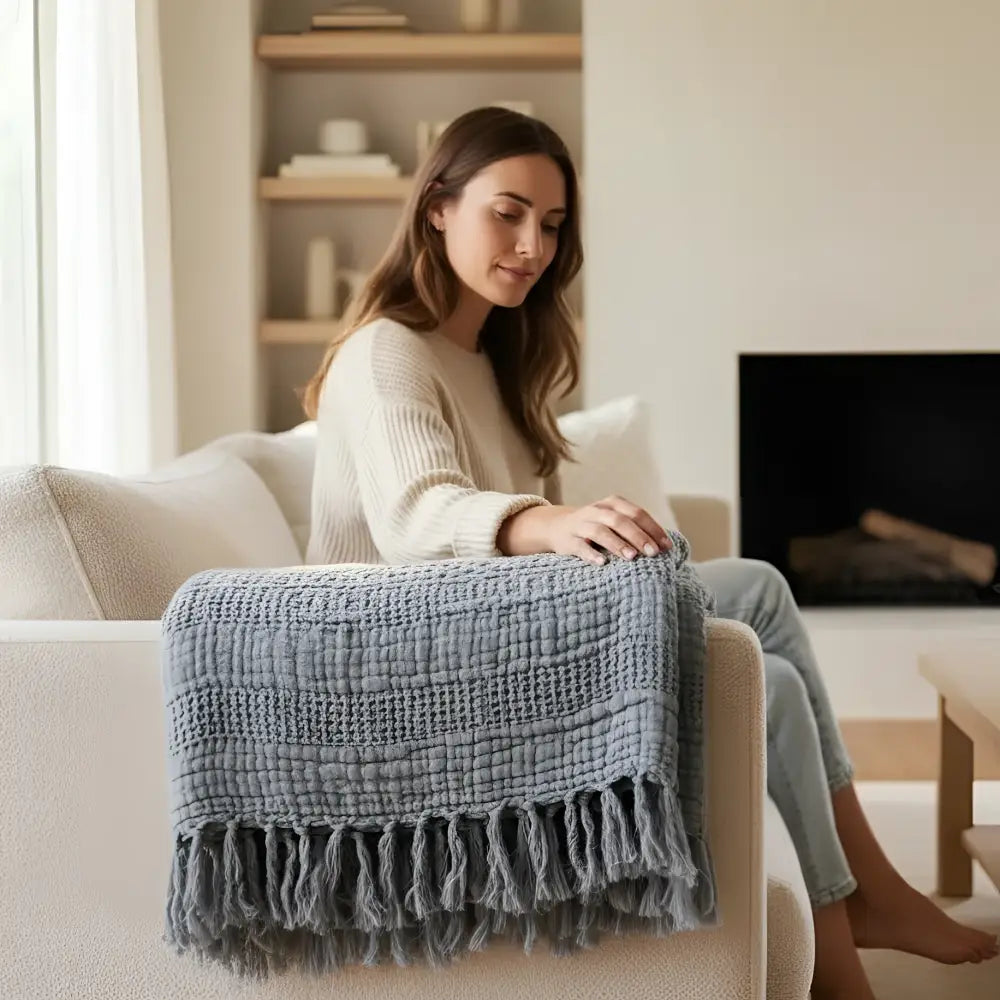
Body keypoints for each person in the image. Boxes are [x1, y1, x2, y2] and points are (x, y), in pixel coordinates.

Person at [299, 106, 998, 998]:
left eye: (550, 226)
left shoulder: (488, 355)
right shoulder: (386, 352)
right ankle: (840, 964)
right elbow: (415, 516)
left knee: (759, 587)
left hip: (481, 633)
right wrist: (546, 523)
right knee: (766, 683)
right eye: (506, 213)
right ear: (437, 207)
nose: (531, 245)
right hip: (409, 670)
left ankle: (871, 892)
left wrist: (577, 541)